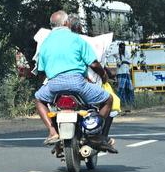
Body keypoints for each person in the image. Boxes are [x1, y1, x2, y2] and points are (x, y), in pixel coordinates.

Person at [34, 10, 116, 152]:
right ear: (66, 23)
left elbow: (41, 71)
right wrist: (103, 75)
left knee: (38, 99)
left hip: (54, 85)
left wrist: (47, 84)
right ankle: (95, 134)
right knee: (108, 99)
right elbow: (94, 64)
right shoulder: (77, 39)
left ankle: (53, 132)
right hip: (78, 84)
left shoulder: (45, 43)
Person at [115, 42, 134, 112]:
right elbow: (119, 63)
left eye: (123, 47)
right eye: (121, 47)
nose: (123, 48)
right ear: (119, 48)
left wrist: (124, 62)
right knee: (121, 89)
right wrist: (124, 62)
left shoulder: (127, 53)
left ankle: (130, 103)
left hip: (127, 72)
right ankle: (119, 104)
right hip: (120, 73)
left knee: (129, 88)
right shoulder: (117, 54)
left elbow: (129, 62)